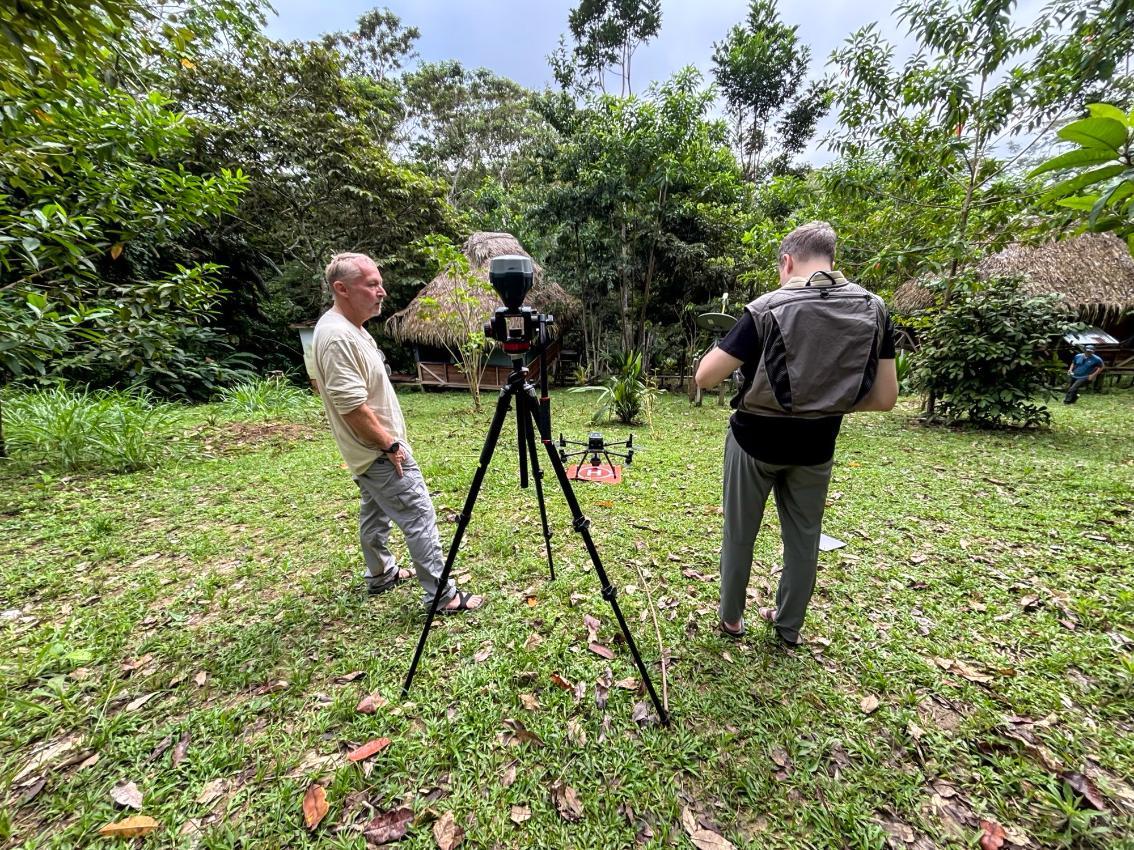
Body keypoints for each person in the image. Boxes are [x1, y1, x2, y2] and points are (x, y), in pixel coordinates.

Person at [695, 222, 897, 646]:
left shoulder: (767, 307)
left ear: (787, 262)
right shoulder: (873, 308)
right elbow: (884, 398)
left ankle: (732, 619)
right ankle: (788, 628)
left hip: (753, 441)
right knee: (803, 541)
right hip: (817, 446)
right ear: (832, 261)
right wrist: (825, 401)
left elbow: (706, 377)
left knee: (740, 535)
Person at [312, 252, 483, 613]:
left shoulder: (352, 330)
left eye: (380, 283)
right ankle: (442, 596)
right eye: (371, 284)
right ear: (341, 289)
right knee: (418, 513)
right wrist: (390, 444)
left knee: (375, 511)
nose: (382, 292)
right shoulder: (337, 337)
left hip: (368, 452)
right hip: (378, 450)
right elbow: (352, 408)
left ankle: (381, 573)